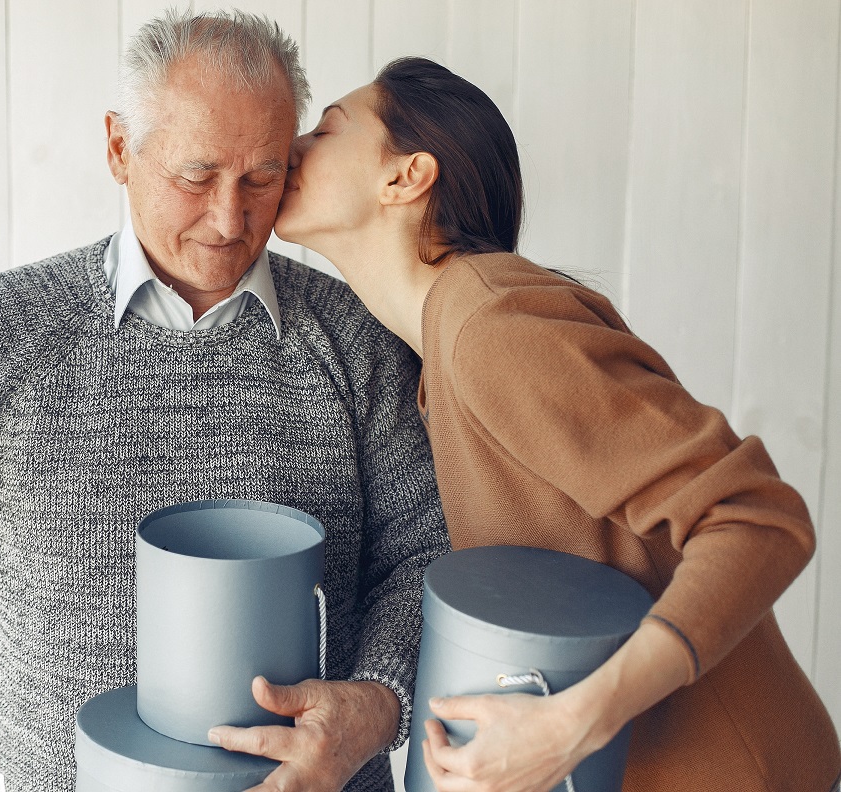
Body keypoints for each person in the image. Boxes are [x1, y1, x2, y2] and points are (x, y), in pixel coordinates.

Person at [0, 12, 448, 792]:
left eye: (262, 177)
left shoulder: (358, 338)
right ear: (119, 148)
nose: (229, 218)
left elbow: (427, 552)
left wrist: (377, 706)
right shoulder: (7, 330)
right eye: (195, 176)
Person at [273, 56, 841, 792]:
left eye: (325, 130)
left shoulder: (492, 326)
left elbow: (759, 515)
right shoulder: (443, 345)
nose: (295, 146)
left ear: (406, 176)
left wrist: (572, 724)